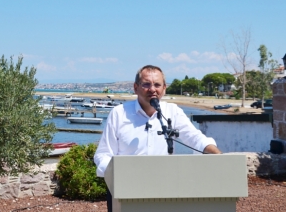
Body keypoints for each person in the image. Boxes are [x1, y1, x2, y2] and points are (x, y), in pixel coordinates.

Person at [94, 65, 222, 211]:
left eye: (157, 85)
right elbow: (103, 155)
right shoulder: (119, 114)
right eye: (146, 84)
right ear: (136, 88)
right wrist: (116, 176)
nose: (152, 89)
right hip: (124, 193)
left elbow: (195, 138)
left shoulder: (172, 112)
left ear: (164, 88)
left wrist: (219, 156)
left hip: (164, 189)